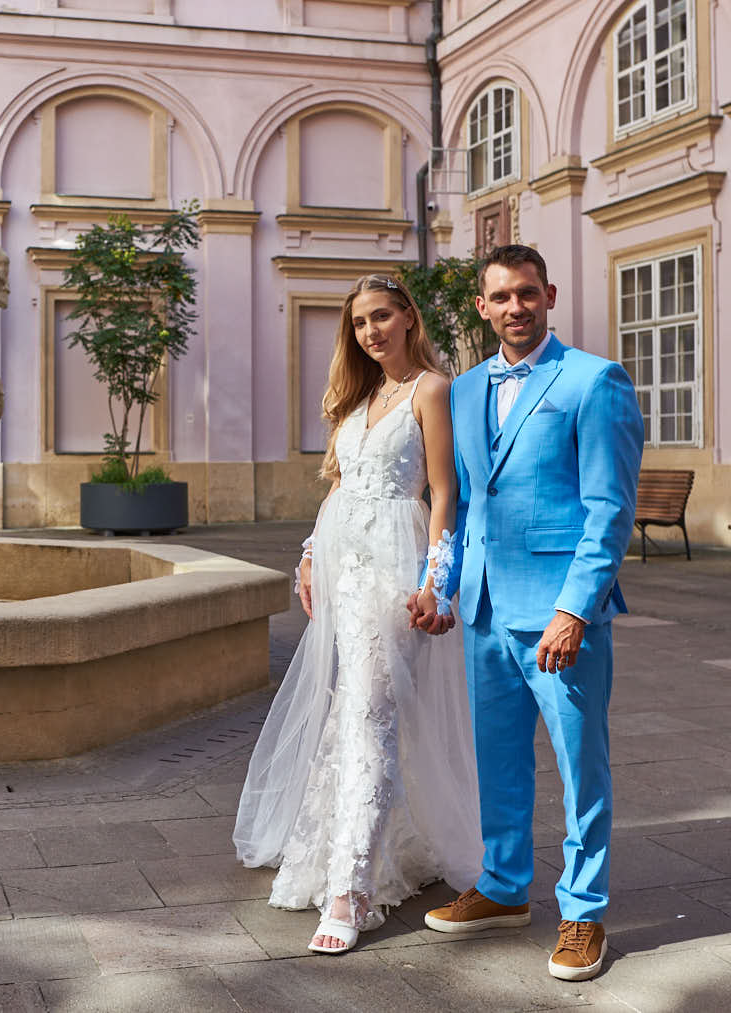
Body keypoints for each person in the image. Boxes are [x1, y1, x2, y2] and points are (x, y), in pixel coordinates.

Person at [409, 244, 642, 982]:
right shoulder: (464, 389)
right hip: (483, 608)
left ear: (549, 296)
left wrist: (575, 610)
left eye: (528, 293)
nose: (517, 307)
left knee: (580, 767)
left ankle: (584, 911)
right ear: (483, 307)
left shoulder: (593, 380)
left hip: (559, 617)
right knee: (499, 761)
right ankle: (505, 887)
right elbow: (459, 502)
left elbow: (609, 510)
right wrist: (439, 585)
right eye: (502, 296)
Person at [234, 274, 483, 955]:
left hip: (398, 568)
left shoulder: (432, 389)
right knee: (353, 708)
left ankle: (350, 889)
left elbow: (444, 493)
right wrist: (309, 555)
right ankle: (380, 844)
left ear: (408, 318)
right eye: (360, 322)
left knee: (371, 712)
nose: (371, 331)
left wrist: (438, 584)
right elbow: (338, 487)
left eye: (381, 316)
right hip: (343, 569)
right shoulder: (357, 397)